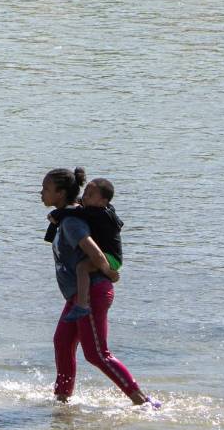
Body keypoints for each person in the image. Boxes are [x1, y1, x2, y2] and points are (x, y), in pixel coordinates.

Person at [40, 167, 154, 406]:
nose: (41, 193)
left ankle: (142, 402)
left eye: (46, 189)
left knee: (96, 354)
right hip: (77, 295)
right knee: (62, 342)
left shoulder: (72, 223)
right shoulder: (66, 218)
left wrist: (109, 272)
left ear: (60, 194)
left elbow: (96, 254)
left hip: (91, 293)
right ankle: (62, 402)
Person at [45, 177, 123, 322]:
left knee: (82, 267)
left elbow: (78, 213)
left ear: (103, 201)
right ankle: (80, 303)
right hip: (106, 255)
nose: (85, 197)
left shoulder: (98, 213)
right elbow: (79, 208)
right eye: (85, 192)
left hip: (111, 257)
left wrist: (109, 273)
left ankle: (82, 305)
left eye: (90, 195)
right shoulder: (99, 208)